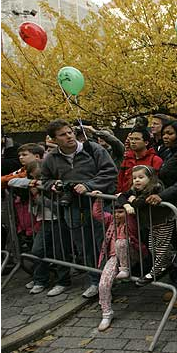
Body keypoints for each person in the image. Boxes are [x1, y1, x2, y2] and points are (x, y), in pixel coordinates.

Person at [41, 119, 118, 298]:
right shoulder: (51, 158)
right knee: (84, 245)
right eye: (62, 134)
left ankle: (108, 281)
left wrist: (89, 185)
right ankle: (94, 281)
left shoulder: (93, 150)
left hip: (98, 204)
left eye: (69, 132)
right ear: (54, 139)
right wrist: (54, 185)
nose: (68, 136)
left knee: (103, 244)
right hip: (72, 207)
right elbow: (45, 180)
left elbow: (110, 172)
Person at [10, 161, 71, 297]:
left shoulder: (56, 186)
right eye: (36, 176)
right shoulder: (34, 183)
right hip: (44, 222)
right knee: (37, 250)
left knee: (60, 252)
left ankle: (63, 281)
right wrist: (31, 183)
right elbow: (12, 182)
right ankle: (40, 279)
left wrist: (38, 196)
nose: (40, 179)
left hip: (59, 221)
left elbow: (58, 207)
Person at [91, 194, 144, 331]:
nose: (117, 215)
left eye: (120, 212)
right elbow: (97, 214)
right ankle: (107, 313)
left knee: (120, 242)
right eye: (114, 212)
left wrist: (126, 203)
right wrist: (99, 198)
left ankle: (125, 269)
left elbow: (131, 218)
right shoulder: (111, 222)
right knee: (103, 283)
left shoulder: (132, 221)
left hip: (131, 254)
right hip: (114, 258)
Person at [119, 166, 175, 286]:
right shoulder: (134, 189)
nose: (137, 180)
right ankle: (169, 258)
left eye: (141, 177)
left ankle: (155, 272)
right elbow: (121, 196)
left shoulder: (156, 187)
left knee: (160, 248)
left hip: (164, 221)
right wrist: (127, 205)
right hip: (151, 224)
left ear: (150, 178)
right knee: (152, 247)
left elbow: (141, 203)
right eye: (134, 178)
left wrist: (133, 201)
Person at [117, 128, 163, 193]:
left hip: (144, 199)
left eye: (137, 139)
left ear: (146, 142)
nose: (133, 142)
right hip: (124, 199)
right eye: (131, 139)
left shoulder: (155, 160)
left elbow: (155, 182)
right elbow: (120, 179)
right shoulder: (127, 159)